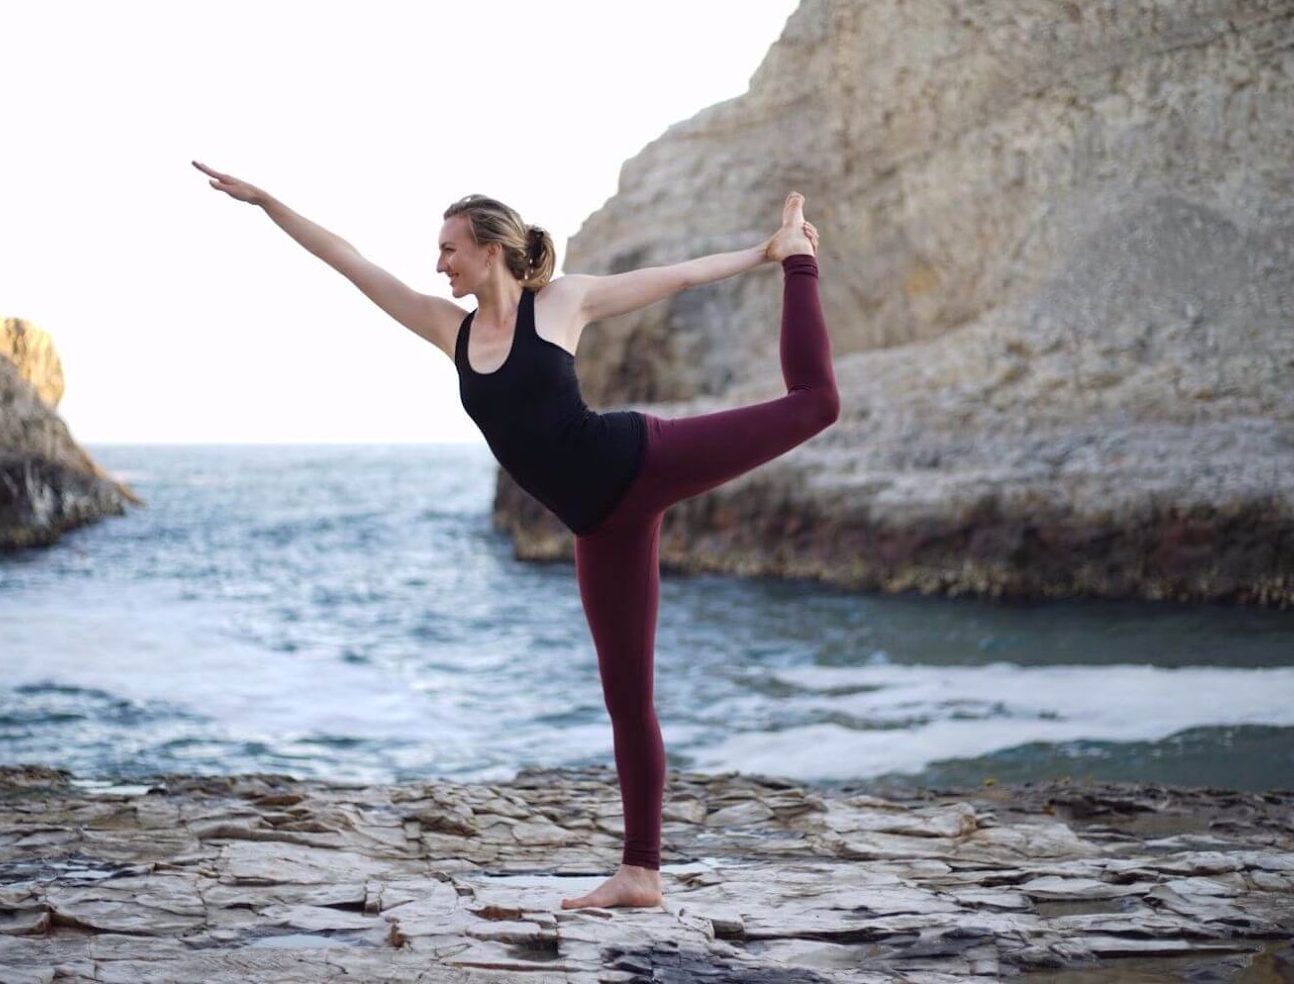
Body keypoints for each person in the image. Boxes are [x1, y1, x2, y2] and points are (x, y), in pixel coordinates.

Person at [192, 161, 839, 909]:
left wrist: (772, 253)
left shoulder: (562, 302)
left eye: (448, 248)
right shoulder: (450, 330)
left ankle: (804, 264)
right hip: (599, 527)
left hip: (643, 459)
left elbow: (682, 275)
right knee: (628, 699)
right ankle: (641, 874)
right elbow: (349, 260)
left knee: (814, 404)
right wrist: (270, 201)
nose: (438, 263)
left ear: (489, 247)